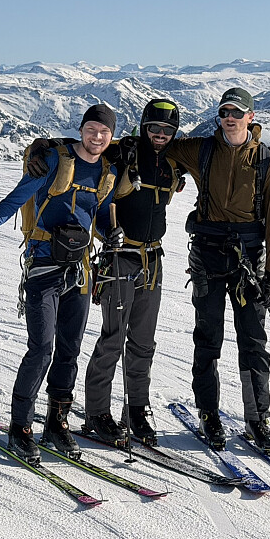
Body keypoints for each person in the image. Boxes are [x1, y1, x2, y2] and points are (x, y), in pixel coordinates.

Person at [0, 104, 119, 462]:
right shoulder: (51, 162)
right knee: (42, 348)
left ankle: (57, 423)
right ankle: (21, 426)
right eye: (91, 129)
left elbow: (101, 217)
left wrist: (112, 233)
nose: (96, 137)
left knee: (69, 349)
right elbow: (17, 199)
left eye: (104, 132)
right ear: (81, 130)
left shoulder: (109, 172)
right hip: (43, 267)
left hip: (79, 271)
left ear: (111, 136)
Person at [164, 87, 270, 454]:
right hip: (208, 256)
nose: (229, 118)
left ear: (251, 117)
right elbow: (155, 146)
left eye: (237, 112)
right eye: (224, 112)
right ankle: (208, 413)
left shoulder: (266, 162)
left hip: (249, 261)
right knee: (208, 338)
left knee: (254, 342)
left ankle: (257, 419)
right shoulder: (201, 150)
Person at [82, 99, 184, 446]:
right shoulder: (122, 154)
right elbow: (85, 157)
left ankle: (136, 410)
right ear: (143, 126)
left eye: (167, 131)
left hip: (153, 260)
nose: (160, 135)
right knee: (113, 337)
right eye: (154, 128)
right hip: (121, 258)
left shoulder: (171, 162)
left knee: (143, 342)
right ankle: (97, 411)